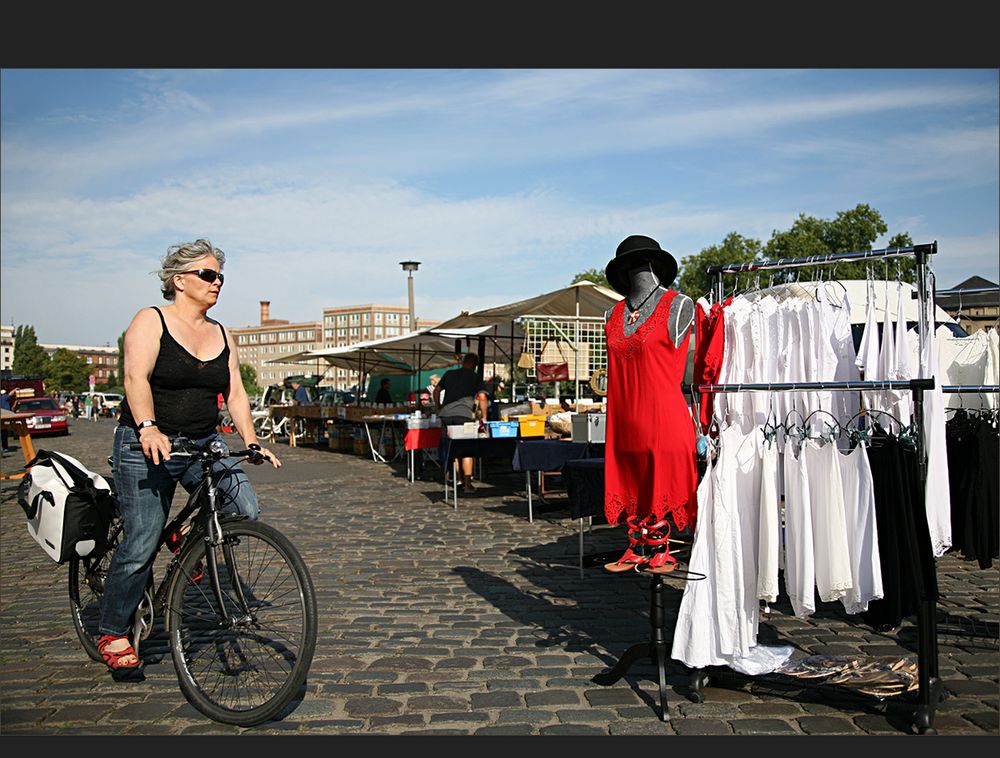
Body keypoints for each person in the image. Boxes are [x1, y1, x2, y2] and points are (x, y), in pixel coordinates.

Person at [97, 238, 281, 674]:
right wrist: (147, 426)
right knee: (142, 541)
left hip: (202, 441)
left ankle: (190, 546)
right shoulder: (151, 321)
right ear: (179, 281)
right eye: (208, 274)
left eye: (220, 276)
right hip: (147, 443)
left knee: (244, 507)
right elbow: (134, 377)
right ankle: (113, 630)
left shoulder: (221, 333)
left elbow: (234, 392)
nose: (217, 282)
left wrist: (252, 440)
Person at [601, 234, 697, 575]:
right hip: (623, 425)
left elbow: (690, 372)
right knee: (630, 492)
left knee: (660, 493)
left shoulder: (679, 305)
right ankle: (638, 542)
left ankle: (660, 546)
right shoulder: (611, 315)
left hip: (663, 422)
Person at [434, 353, 488, 494]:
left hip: (446, 415)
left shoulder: (449, 374)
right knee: (467, 450)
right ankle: (468, 484)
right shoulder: (475, 377)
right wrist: (484, 416)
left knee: (453, 448)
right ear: (475, 365)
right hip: (464, 416)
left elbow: (436, 391)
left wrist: (438, 407)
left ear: (463, 362)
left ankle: (458, 479)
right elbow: (482, 397)